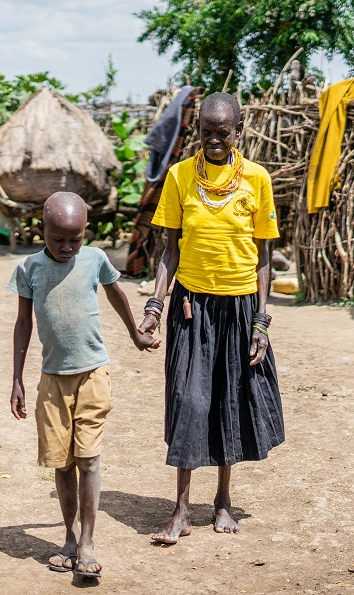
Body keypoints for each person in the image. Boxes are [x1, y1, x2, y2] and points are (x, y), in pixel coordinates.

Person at [139, 92, 285, 544]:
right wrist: (155, 306)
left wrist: (261, 320)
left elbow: (263, 257)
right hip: (191, 306)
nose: (214, 140)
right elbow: (170, 249)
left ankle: (222, 500)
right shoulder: (180, 176)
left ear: (238, 131)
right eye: (206, 132)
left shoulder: (257, 180)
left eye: (223, 132)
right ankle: (181, 510)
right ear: (198, 132)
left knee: (229, 402)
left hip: (240, 308)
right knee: (189, 400)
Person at [8, 192, 159, 578]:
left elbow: (117, 295)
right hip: (52, 379)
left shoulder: (94, 259)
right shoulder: (29, 268)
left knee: (88, 458)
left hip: (93, 373)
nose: (66, 247)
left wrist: (135, 335)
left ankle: (88, 543)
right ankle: (70, 538)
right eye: (58, 239)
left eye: (74, 239)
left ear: (85, 232)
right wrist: (16, 379)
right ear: (42, 229)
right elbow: (23, 323)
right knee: (62, 463)